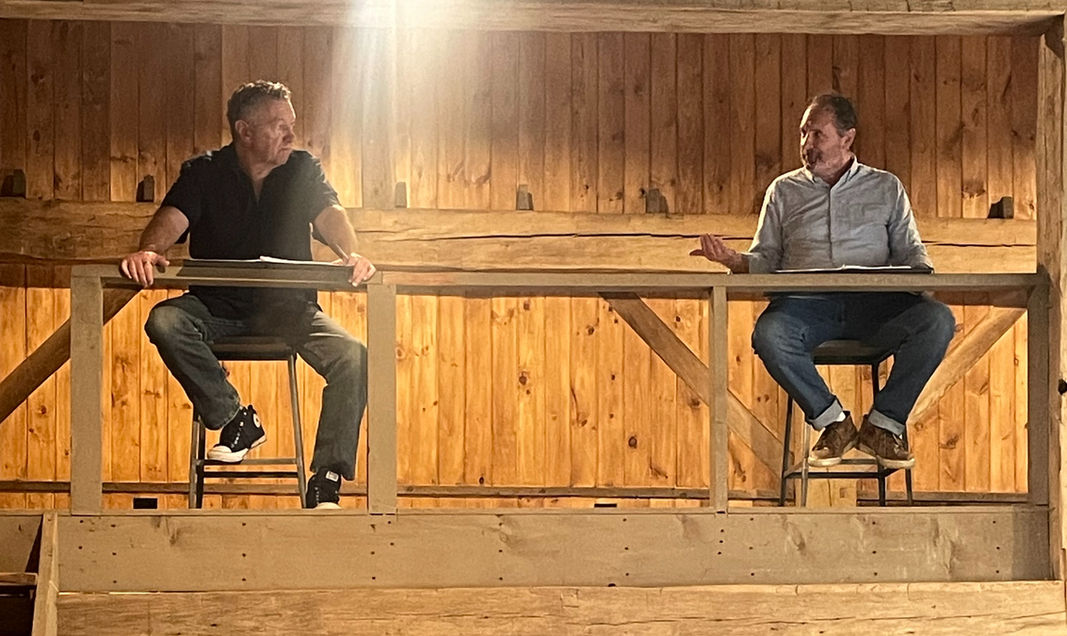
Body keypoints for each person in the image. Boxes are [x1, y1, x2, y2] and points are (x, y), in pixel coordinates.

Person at [120, 80, 375, 509]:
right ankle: (236, 419)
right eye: (278, 125)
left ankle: (327, 478)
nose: (290, 135)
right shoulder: (203, 172)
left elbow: (332, 215)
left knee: (354, 356)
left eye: (291, 124)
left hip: (288, 310)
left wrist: (353, 254)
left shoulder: (302, 169)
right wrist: (149, 251)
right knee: (165, 320)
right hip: (215, 307)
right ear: (245, 130)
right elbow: (170, 219)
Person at [691, 93, 955, 471]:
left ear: (847, 139)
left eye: (817, 134)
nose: (807, 144)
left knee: (938, 320)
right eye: (803, 134)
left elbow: (911, 253)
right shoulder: (782, 191)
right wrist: (734, 261)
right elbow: (766, 258)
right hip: (805, 305)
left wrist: (922, 279)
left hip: (876, 305)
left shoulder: (886, 188)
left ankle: (884, 424)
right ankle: (833, 423)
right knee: (769, 334)